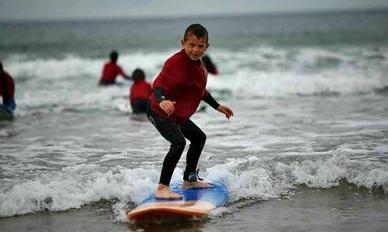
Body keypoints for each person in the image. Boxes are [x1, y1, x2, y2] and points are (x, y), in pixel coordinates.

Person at [147, 24, 234, 199]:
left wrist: (217, 106)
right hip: (158, 110)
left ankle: (190, 179)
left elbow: (200, 90)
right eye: (191, 45)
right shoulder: (174, 63)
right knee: (178, 143)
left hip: (176, 114)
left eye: (200, 46)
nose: (195, 50)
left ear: (206, 47)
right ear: (183, 43)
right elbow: (158, 84)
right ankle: (162, 187)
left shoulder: (199, 68)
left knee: (199, 137)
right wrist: (162, 100)